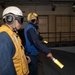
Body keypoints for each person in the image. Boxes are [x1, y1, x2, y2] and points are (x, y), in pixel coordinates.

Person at [0, 6, 30, 75]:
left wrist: (24, 59)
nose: (21, 23)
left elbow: (14, 53)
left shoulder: (13, 34)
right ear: (10, 19)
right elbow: (6, 69)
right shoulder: (4, 37)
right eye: (20, 20)